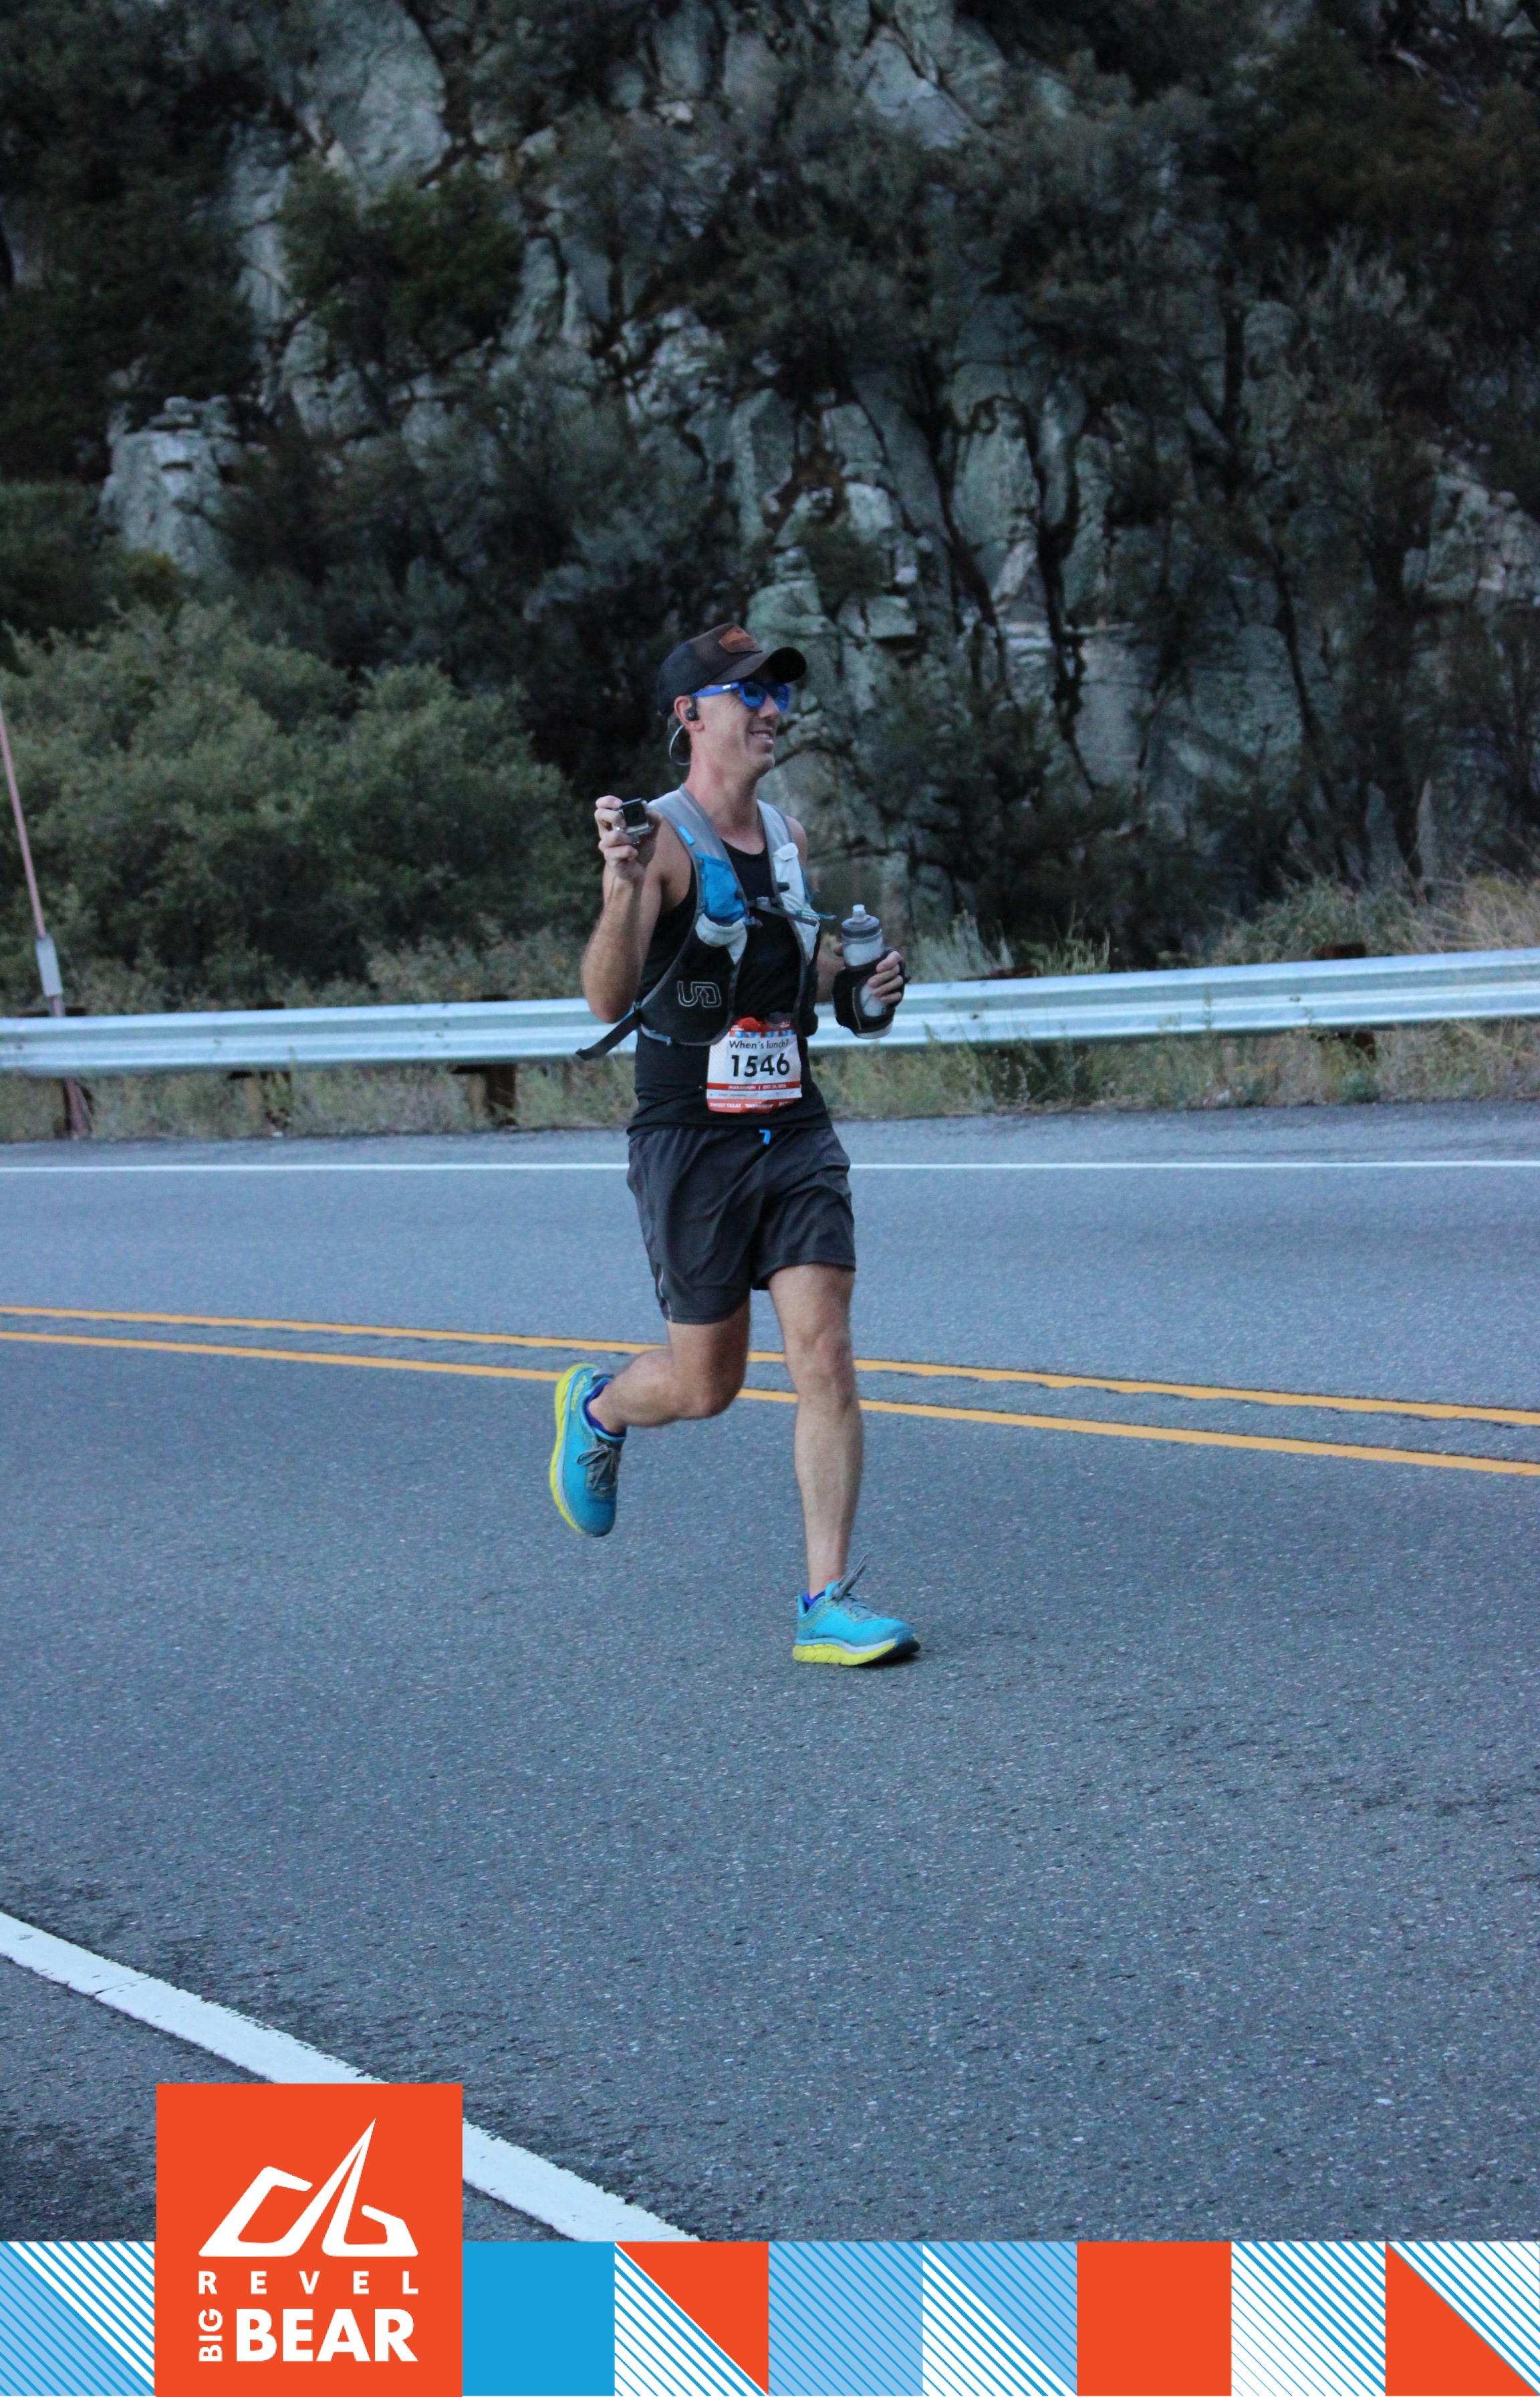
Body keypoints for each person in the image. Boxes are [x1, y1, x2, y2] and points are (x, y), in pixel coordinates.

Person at [547, 622, 919, 1666]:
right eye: (746, 693)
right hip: (692, 1141)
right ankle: (601, 1404)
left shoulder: (788, 838)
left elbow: (789, 973)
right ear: (689, 715)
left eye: (778, 694)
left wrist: (857, 984)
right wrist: (623, 889)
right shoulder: (657, 839)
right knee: (707, 1384)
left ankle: (825, 1600)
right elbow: (607, 997)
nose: (769, 711)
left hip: (793, 1126)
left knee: (825, 1349)